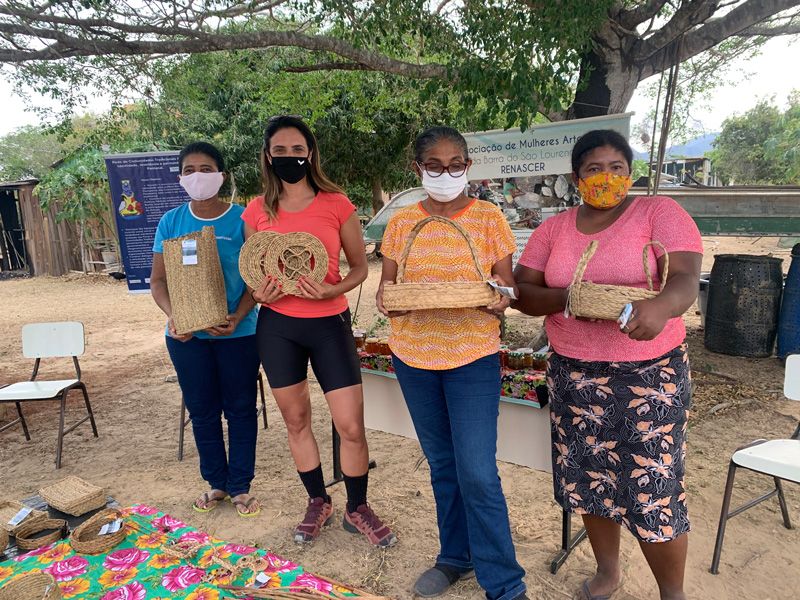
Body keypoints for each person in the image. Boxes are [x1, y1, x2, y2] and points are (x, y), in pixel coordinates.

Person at [512, 129, 702, 600]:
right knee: (589, 480)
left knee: (652, 487)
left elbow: (685, 277)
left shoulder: (658, 213)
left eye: (616, 168)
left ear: (630, 173)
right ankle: (608, 572)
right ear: (577, 177)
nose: (606, 177)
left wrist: (661, 307)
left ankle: (672, 593)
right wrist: (573, 299)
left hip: (648, 375)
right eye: (594, 169)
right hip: (574, 374)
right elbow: (524, 293)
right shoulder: (554, 228)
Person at [376, 126, 527, 600]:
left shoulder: (488, 218)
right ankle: (454, 558)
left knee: (478, 472)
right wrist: (390, 303)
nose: (446, 173)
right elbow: (389, 290)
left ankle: (504, 584)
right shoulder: (402, 223)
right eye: (435, 165)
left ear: (468, 166)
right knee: (443, 464)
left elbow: (507, 286)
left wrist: (500, 301)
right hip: (414, 356)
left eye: (456, 164)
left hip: (472, 357)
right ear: (418, 169)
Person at [242, 116, 396, 547]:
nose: (289, 158)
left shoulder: (336, 203)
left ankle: (357, 506)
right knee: (296, 421)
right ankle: (317, 501)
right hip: (277, 328)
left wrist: (331, 288)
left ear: (310, 153)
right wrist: (261, 291)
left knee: (350, 426)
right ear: (268, 156)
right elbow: (253, 273)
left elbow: (362, 268)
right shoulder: (256, 211)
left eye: (297, 150)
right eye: (280, 151)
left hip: (329, 325)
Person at [151, 141, 261, 517]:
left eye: (205, 169)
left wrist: (239, 315)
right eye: (189, 170)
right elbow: (158, 282)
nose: (197, 176)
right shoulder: (171, 222)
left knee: (242, 409)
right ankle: (216, 483)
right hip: (186, 338)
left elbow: (255, 280)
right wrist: (173, 316)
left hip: (239, 333)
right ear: (180, 178)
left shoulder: (243, 220)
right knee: (202, 410)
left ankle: (241, 486)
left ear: (221, 176)